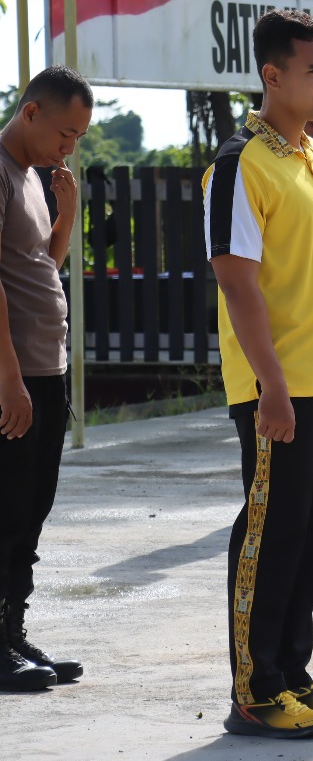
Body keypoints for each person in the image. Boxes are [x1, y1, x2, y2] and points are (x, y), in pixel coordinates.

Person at [206, 10, 313, 737]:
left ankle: (294, 674)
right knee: (270, 535)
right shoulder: (240, 163)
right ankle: (255, 688)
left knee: (312, 531)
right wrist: (270, 382)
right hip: (281, 386)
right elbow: (237, 281)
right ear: (272, 75)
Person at [0, 66, 92, 692]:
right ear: (31, 112)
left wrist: (67, 215)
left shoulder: (31, 178)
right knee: (6, 509)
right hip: (16, 376)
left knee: (32, 510)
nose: (69, 148)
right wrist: (10, 381)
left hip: (46, 370)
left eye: (78, 137)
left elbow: (39, 268)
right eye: (65, 133)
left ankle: (12, 632)